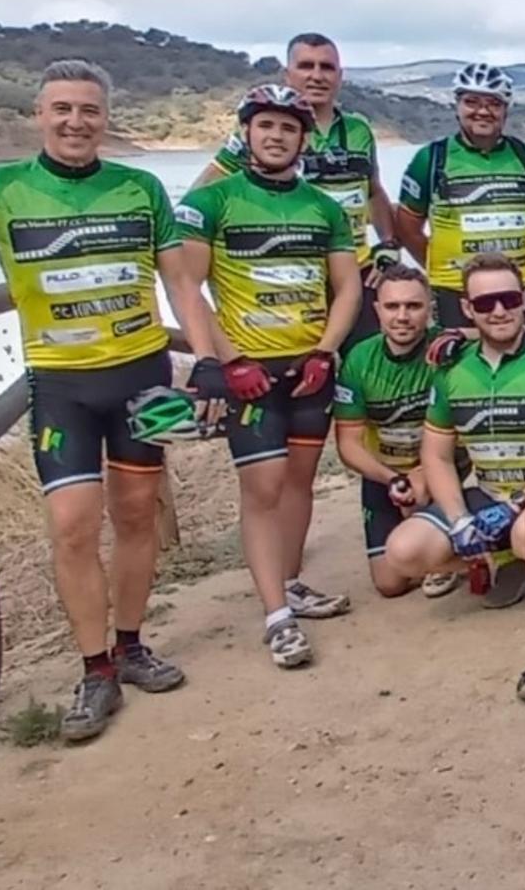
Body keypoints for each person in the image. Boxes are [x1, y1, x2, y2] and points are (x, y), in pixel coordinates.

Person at [0, 60, 218, 741]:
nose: (76, 121)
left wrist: (210, 363)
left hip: (145, 374)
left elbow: (182, 286)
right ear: (39, 115)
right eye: (62, 109)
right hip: (61, 384)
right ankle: (95, 667)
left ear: (106, 118)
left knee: (137, 512)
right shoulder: (0, 188)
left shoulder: (139, 187)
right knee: (74, 526)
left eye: (89, 110)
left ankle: (133, 643)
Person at [176, 84, 362, 670]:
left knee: (301, 480)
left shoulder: (322, 208)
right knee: (263, 488)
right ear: (246, 134)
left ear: (303, 138)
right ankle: (276, 616)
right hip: (249, 371)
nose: (277, 136)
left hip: (307, 368)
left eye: (288, 128)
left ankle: (289, 582)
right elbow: (187, 289)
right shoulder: (216, 201)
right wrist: (229, 360)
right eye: (266, 127)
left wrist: (326, 351)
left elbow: (348, 286)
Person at [380, 253, 525, 696]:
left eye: (509, 298)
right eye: (486, 302)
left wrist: (519, 504)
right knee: (402, 553)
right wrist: (458, 520)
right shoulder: (452, 367)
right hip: (489, 493)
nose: (499, 310)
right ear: (467, 309)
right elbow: (435, 456)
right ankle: (507, 563)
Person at [193, 33, 399, 345]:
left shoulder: (359, 130)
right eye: (306, 66)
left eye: (327, 67)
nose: (317, 75)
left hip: (357, 269)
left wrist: (388, 243)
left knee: (362, 366)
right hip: (294, 274)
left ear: (340, 77)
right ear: (288, 75)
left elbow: (373, 191)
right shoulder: (261, 134)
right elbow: (200, 193)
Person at [330, 264, 460, 599]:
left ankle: (458, 553)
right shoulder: (359, 359)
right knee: (389, 584)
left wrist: (462, 334)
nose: (402, 316)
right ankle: (443, 548)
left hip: (438, 467)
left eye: (413, 306)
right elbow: (348, 445)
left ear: (429, 308)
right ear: (377, 310)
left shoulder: (445, 350)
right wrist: (391, 479)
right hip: (385, 473)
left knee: (422, 491)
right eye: (392, 306)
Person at [395, 64, 525, 327]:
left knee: (521, 365)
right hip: (455, 290)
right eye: (472, 102)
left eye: (493, 103)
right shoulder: (431, 157)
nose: (482, 111)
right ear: (457, 105)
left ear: (506, 109)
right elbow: (407, 226)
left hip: (517, 286)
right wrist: (439, 265)